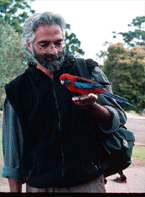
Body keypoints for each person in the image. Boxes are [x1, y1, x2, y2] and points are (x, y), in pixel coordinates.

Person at [1, 12, 127, 193]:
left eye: (58, 43)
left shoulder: (87, 70)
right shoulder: (16, 89)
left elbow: (118, 118)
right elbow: (13, 153)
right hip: (40, 187)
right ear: (29, 45)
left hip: (88, 184)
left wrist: (93, 107)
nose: (53, 51)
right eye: (44, 45)